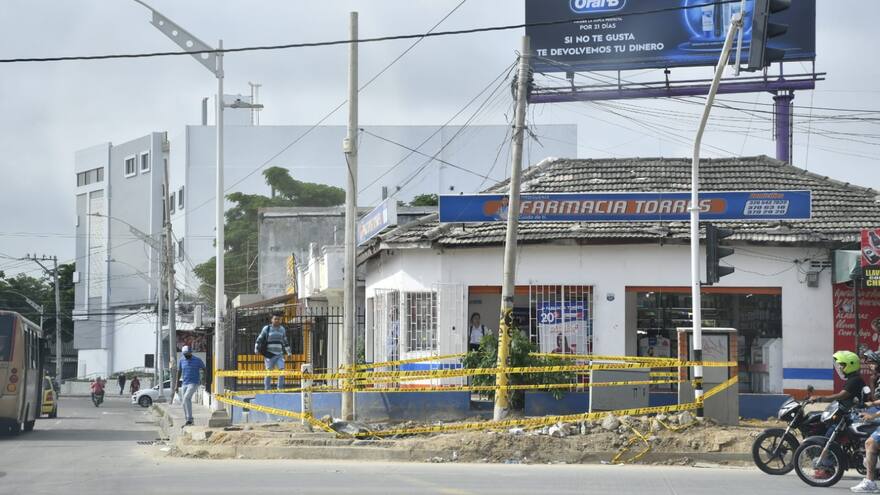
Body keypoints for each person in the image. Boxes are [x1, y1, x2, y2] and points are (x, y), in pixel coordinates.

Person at [811, 351, 867, 482]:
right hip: (849, 414)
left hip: (853, 416)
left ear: (850, 365)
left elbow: (842, 395)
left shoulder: (854, 380)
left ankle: (826, 468)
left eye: (842, 365)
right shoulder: (853, 379)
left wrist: (821, 398)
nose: (840, 368)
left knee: (830, 438)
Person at [851, 351, 880, 493]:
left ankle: (870, 482)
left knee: (870, 443)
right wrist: (870, 404)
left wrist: (872, 415)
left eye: (872, 363)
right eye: (868, 363)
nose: (869, 366)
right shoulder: (876, 378)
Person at [254, 313, 291, 390]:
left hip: (279, 354)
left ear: (280, 320)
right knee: (268, 372)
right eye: (275, 319)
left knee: (282, 371)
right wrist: (256, 349)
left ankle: (280, 389)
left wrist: (289, 352)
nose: (277, 320)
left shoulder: (282, 329)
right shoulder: (266, 328)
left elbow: (285, 341)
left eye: (278, 319)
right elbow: (259, 339)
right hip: (269, 355)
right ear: (272, 320)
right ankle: (267, 389)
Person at [174, 345, 205, 427]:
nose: (186, 356)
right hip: (184, 383)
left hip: (194, 383)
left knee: (186, 398)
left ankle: (190, 419)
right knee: (184, 402)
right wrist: (176, 385)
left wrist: (203, 379)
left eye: (187, 354)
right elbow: (179, 372)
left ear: (191, 352)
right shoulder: (181, 360)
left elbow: (204, 369)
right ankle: (188, 420)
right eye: (184, 354)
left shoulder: (197, 360)